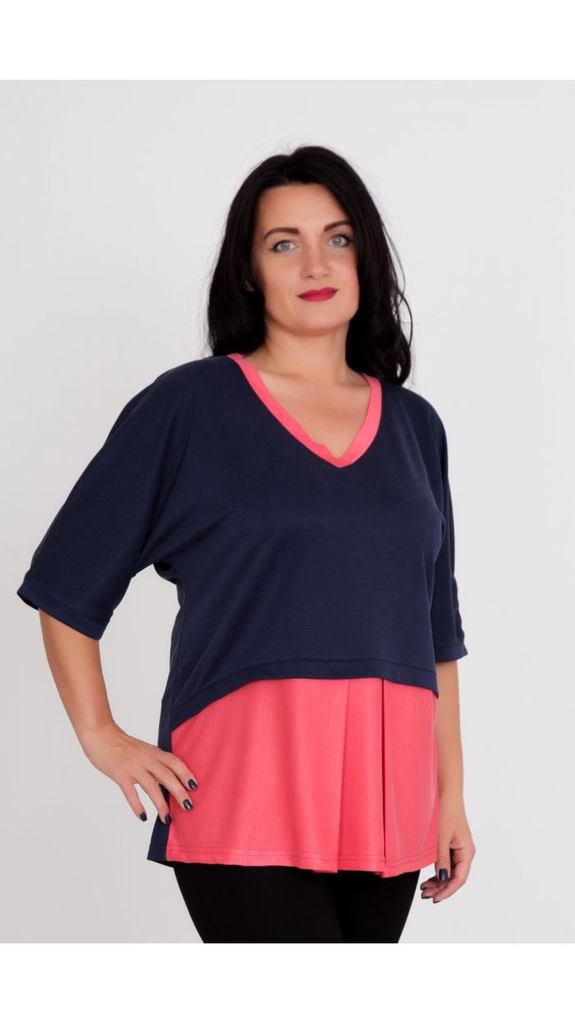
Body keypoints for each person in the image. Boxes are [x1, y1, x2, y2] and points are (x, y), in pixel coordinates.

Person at [16, 144, 476, 942]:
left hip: (388, 785)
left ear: (365, 256)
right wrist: (100, 735)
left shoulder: (414, 426)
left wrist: (450, 797)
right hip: (246, 773)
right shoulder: (187, 407)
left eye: (337, 238)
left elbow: (435, 635)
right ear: (249, 272)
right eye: (282, 244)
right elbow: (66, 583)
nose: (314, 264)